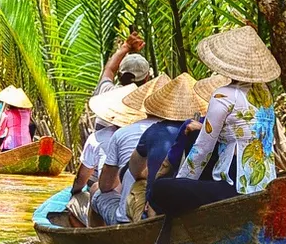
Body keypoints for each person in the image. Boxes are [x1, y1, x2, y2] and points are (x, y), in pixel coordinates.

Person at [151, 26, 281, 216]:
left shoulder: (224, 95)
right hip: (264, 183)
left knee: (159, 189)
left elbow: (203, 147)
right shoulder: (265, 95)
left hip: (235, 187)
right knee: (195, 134)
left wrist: (182, 182)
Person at [91, 74, 169, 225]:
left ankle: (93, 234)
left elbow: (105, 186)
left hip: (127, 218)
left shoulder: (122, 133)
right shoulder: (185, 131)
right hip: (166, 215)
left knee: (96, 190)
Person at [124, 73, 201, 221]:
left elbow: (135, 170)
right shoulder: (207, 130)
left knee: (138, 185)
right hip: (193, 203)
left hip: (159, 208)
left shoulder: (154, 131)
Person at [67, 84, 141, 226]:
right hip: (143, 204)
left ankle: (94, 232)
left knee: (91, 191)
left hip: (121, 209)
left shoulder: (100, 137)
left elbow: (83, 179)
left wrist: (74, 192)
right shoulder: (150, 132)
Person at [91, 32, 152, 130]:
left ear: (119, 75)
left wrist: (126, 46)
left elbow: (109, 70)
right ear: (147, 78)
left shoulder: (107, 92)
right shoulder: (151, 105)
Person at [0, 86, 34, 150]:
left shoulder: (6, 114)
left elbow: (1, 130)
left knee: (4, 144)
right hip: (26, 144)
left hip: (11, 145)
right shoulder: (27, 113)